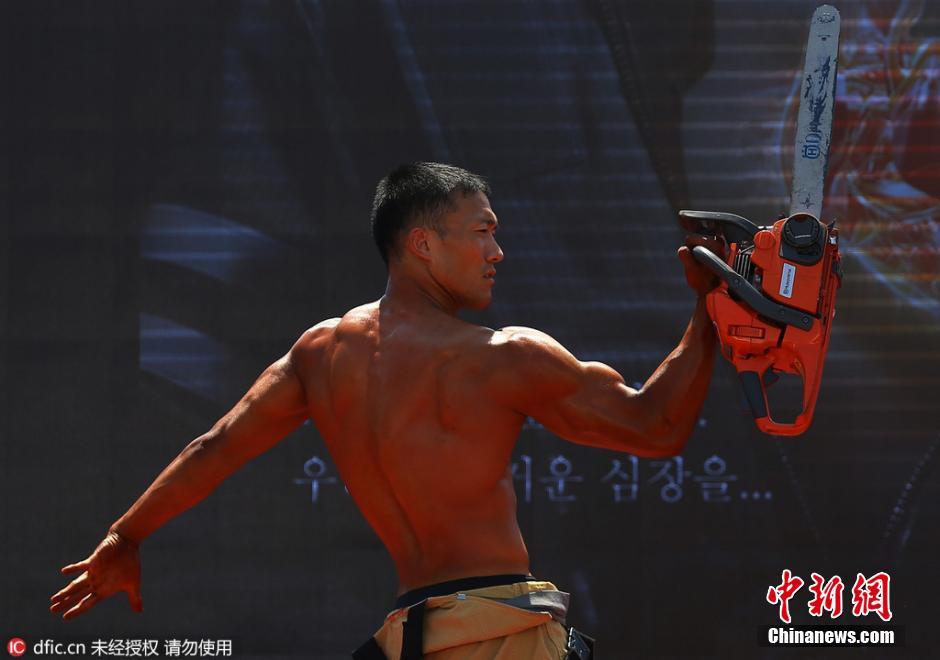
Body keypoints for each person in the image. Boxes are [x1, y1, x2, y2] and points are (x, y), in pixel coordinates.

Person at [50, 162, 721, 659]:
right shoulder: (503, 356)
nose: (497, 253)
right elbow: (654, 426)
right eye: (482, 232)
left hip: (412, 640)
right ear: (423, 244)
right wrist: (713, 308)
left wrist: (126, 535)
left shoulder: (319, 354)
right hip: (500, 636)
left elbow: (215, 449)